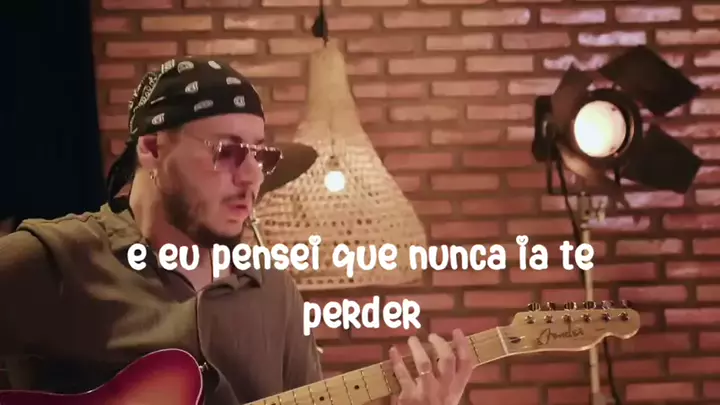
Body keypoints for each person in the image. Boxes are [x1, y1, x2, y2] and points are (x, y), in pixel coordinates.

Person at [0, 57, 474, 405]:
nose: (251, 178)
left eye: (260, 155)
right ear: (152, 148)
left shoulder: (274, 292)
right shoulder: (52, 259)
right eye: (226, 151)